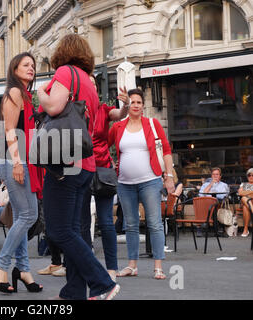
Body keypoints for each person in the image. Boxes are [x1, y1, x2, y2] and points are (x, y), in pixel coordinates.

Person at [37, 34, 119, 300]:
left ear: (63, 52)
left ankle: (103, 282)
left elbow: (54, 106)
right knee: (74, 230)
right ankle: (73, 291)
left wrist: (41, 92)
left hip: (64, 163)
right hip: (85, 164)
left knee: (58, 230)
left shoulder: (64, 72)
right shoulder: (89, 83)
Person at [0, 52, 43, 294]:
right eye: (25, 65)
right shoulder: (15, 92)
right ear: (14, 68)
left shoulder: (26, 94)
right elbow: (10, 130)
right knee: (29, 216)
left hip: (18, 160)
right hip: (14, 160)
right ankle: (1, 265)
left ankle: (24, 270)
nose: (30, 68)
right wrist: (18, 163)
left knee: (22, 216)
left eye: (33, 65)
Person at [108, 88, 175, 280]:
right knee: (130, 225)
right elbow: (102, 144)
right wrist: (110, 164)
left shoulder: (153, 124)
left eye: (138, 102)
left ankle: (158, 267)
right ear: (127, 105)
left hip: (150, 181)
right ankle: (132, 266)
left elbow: (167, 151)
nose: (135, 105)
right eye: (132, 102)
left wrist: (169, 176)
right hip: (124, 183)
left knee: (154, 224)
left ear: (142, 105)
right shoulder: (118, 127)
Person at [80, 74, 130, 282]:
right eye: (87, 84)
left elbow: (119, 114)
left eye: (93, 84)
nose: (90, 87)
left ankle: (111, 267)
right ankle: (85, 266)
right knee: (81, 223)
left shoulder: (103, 109)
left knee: (106, 222)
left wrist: (125, 104)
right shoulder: (75, 110)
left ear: (97, 90)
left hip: (102, 169)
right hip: (81, 169)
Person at [238, 168, 253, 237]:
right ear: (247, 176)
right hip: (246, 201)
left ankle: (245, 229)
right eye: (249, 175)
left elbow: (243, 193)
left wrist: (246, 193)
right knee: (244, 198)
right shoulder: (243, 184)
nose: (251, 177)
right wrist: (251, 192)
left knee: (245, 206)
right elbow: (240, 193)